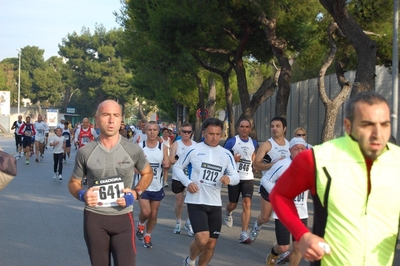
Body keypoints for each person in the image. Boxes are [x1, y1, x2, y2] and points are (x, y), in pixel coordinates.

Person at [270, 91, 400, 265]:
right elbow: (279, 195)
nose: (377, 133)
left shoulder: (397, 161)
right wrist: (303, 235)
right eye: (367, 125)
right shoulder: (316, 158)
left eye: (384, 125)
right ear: (348, 126)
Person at [68, 100, 153, 266]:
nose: (111, 120)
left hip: (123, 217)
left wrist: (136, 193)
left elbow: (148, 173)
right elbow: (73, 183)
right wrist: (82, 194)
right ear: (97, 119)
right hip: (95, 218)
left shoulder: (133, 149)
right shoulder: (86, 152)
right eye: (106, 115)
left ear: (122, 119)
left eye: (116, 115)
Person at [174, 118, 240, 266]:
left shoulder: (226, 154)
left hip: (215, 203)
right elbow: (177, 168)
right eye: (211, 133)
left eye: (218, 134)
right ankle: (190, 260)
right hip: (196, 200)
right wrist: (188, 182)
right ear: (204, 133)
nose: (214, 137)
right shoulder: (193, 150)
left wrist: (229, 179)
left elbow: (236, 176)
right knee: (202, 238)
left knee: (211, 244)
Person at [263, 137, 308, 266]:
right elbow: (265, 180)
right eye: (296, 149)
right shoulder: (282, 165)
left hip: (301, 212)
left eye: (302, 149)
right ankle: (274, 252)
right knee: (283, 247)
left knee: (298, 246)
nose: (299, 151)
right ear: (290, 150)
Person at [250, 116, 290, 241]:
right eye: (272, 126)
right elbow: (256, 164)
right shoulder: (267, 145)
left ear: (284, 128)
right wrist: (272, 165)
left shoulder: (289, 145)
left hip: (284, 188)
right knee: (265, 218)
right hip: (268, 185)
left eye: (277, 126)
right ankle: (257, 225)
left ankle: (283, 246)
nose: (274, 129)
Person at [135, 121, 170, 248]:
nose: (152, 132)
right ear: (145, 131)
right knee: (146, 212)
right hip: (142, 185)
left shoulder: (163, 148)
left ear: (158, 131)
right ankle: (141, 223)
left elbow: (167, 164)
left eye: (154, 130)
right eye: (149, 130)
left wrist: (167, 165)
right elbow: (133, 166)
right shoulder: (139, 146)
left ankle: (148, 235)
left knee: (153, 214)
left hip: (157, 185)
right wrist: (137, 167)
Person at [223, 118, 258, 244]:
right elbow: (222, 157)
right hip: (234, 177)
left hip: (248, 177)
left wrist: (254, 164)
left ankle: (244, 233)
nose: (244, 129)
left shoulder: (254, 143)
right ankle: (228, 212)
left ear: (250, 129)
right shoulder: (232, 141)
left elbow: (253, 156)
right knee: (233, 204)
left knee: (247, 203)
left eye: (247, 127)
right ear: (238, 128)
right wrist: (233, 158)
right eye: (242, 126)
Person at [169, 122, 197, 237]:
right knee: (179, 202)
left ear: (191, 133)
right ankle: (178, 222)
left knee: (190, 202)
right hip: (178, 177)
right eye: (184, 131)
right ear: (181, 132)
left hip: (191, 177)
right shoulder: (177, 144)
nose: (186, 134)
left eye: (188, 132)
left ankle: (189, 223)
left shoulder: (195, 145)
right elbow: (171, 159)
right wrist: (182, 163)